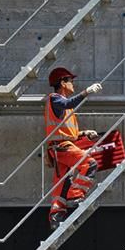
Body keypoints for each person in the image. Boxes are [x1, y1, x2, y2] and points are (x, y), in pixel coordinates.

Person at [42, 67, 102, 229]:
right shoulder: (55, 99)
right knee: (89, 164)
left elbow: (67, 133)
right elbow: (68, 102)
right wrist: (86, 92)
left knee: (62, 183)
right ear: (63, 82)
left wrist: (84, 133)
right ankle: (75, 197)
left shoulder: (63, 106)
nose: (73, 84)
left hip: (59, 147)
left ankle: (56, 215)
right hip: (61, 147)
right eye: (71, 81)